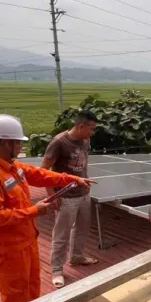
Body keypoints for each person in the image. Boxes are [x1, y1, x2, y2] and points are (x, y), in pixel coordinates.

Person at [0, 114, 93, 302]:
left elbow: (39, 174)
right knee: (16, 300)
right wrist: (35, 210)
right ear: (5, 143)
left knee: (32, 291)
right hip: (9, 251)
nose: (20, 146)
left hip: (27, 242)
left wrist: (71, 179)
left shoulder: (11, 166)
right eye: (18, 142)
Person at [41, 111, 99, 288]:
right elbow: (44, 170)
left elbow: (83, 165)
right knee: (62, 234)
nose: (93, 133)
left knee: (82, 228)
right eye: (91, 129)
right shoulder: (59, 142)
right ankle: (57, 270)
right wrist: (51, 195)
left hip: (83, 193)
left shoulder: (85, 140)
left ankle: (77, 256)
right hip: (66, 196)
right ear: (81, 126)